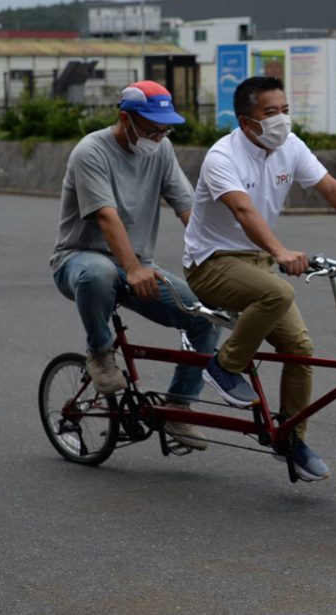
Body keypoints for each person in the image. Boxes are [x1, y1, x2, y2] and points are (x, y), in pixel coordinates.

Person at [182, 76, 336, 481]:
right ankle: (223, 366)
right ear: (247, 122)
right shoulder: (222, 157)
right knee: (277, 292)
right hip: (211, 263)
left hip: (256, 262)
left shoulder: (290, 147)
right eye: (271, 113)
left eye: (285, 110)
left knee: (299, 347)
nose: (282, 119)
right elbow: (245, 213)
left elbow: (331, 189)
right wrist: (280, 251)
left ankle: (291, 440)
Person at [50, 80, 220, 451]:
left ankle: (178, 407)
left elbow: (188, 208)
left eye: (165, 130)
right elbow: (108, 218)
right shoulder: (90, 152)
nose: (158, 137)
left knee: (206, 314)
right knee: (101, 272)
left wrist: (221, 260)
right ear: (125, 118)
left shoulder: (161, 150)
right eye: (151, 129)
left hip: (137, 266)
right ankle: (99, 351)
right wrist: (133, 268)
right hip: (79, 260)